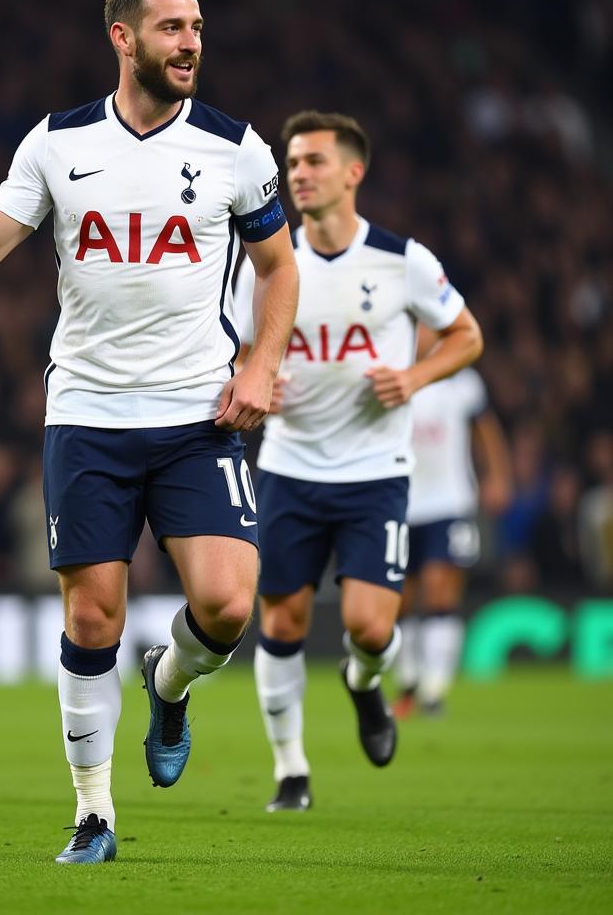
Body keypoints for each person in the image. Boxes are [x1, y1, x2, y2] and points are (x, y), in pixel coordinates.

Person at [0, 0, 299, 862]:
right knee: (92, 622)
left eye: (196, 26)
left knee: (229, 606)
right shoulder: (56, 143)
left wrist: (261, 360)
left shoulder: (237, 149)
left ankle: (171, 682)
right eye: (170, 28)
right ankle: (93, 815)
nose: (191, 42)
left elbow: (279, 267)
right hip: (87, 414)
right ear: (123, 38)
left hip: (199, 413)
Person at [233, 110, 482, 812]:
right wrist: (253, 376)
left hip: (375, 474)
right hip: (289, 469)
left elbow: (465, 336)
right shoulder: (270, 265)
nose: (298, 174)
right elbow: (233, 350)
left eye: (314, 161)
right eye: (293, 161)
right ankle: (291, 772)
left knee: (371, 629)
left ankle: (365, 683)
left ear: (353, 173)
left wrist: (414, 378)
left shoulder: (403, 260)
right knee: (280, 622)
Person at [393, 340, 511, 717]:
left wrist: (497, 476)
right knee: (401, 599)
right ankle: (408, 681)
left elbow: (486, 431)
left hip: (451, 502)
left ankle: (434, 689)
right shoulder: (393, 376)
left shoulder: (462, 381)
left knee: (440, 589)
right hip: (401, 501)